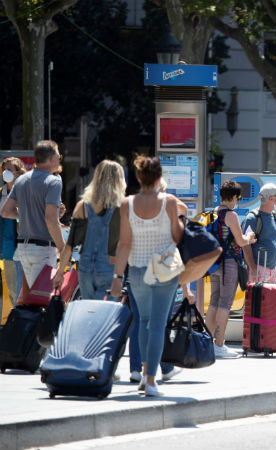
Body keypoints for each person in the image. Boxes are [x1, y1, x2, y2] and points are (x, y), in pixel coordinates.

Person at [109, 156, 185, 397]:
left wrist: (117, 276)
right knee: (158, 325)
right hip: (163, 270)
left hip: (138, 270)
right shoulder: (169, 202)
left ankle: (143, 373)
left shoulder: (127, 204)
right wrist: (181, 220)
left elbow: (124, 243)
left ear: (139, 177)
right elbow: (177, 236)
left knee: (143, 321)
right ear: (160, 178)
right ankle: (151, 380)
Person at [53, 160, 126, 299]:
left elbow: (70, 245)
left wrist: (60, 273)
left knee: (89, 313)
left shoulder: (83, 206)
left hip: (86, 267)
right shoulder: (123, 208)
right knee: (106, 316)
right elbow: (125, 245)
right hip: (110, 268)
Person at [1, 140, 64, 289]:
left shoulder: (22, 180)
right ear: (51, 159)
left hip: (23, 248)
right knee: (43, 297)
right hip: (43, 248)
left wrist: (27, 215)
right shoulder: (53, 182)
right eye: (58, 156)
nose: (59, 159)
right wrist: (62, 247)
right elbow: (50, 219)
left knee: (32, 299)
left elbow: (5, 211)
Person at [205, 180, 256, 358]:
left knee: (213, 301)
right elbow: (240, 241)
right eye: (238, 198)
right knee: (225, 303)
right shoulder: (231, 215)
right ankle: (219, 345)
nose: (238, 201)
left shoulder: (212, 212)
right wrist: (249, 237)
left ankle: (208, 342)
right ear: (234, 196)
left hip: (214, 263)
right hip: (229, 263)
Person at [241, 183, 276, 283]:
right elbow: (245, 245)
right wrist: (252, 268)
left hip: (273, 269)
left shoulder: (273, 216)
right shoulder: (252, 218)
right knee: (255, 298)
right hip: (258, 269)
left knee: (270, 299)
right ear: (270, 198)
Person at [0, 158, 26, 313]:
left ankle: (17, 323)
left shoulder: (25, 192)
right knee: (11, 290)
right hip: (7, 249)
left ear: (18, 171)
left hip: (22, 248)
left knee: (18, 291)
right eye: (4, 169)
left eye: (10, 169)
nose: (6, 172)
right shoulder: (1, 194)